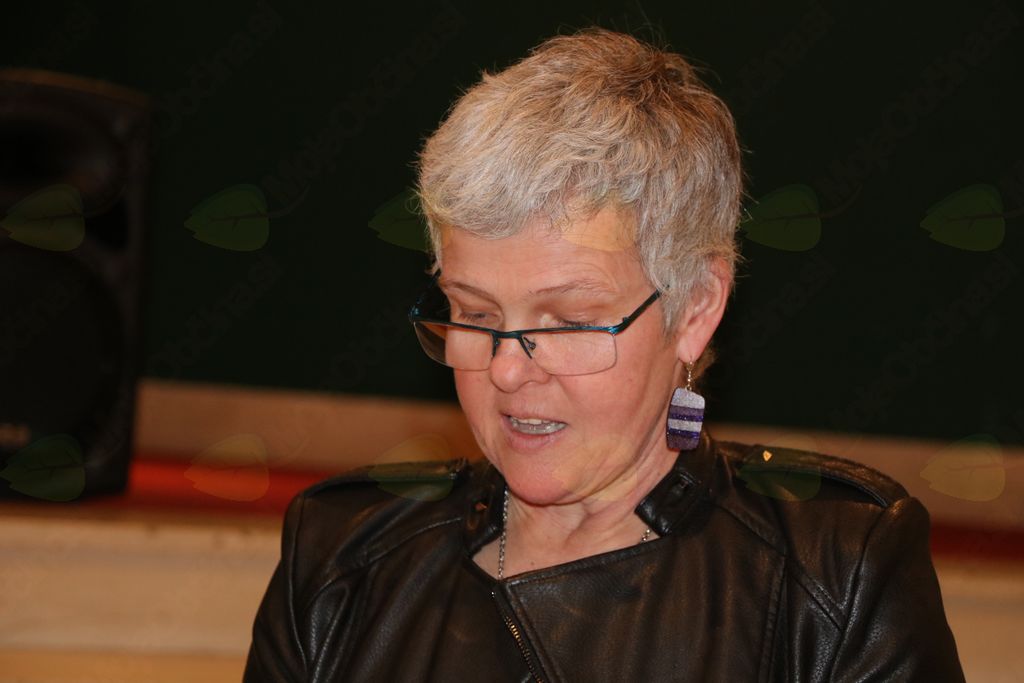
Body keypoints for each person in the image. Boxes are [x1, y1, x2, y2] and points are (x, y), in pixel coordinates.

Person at [244, 27, 965, 681]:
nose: (506, 369)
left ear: (695, 308)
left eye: (566, 322)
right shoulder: (341, 560)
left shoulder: (835, 574)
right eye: (475, 313)